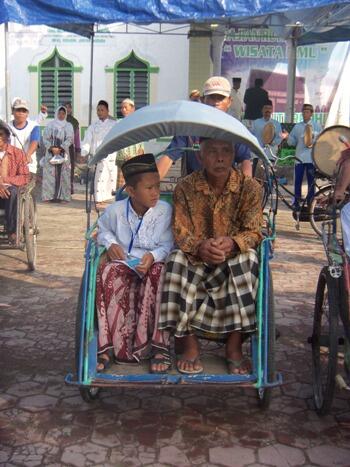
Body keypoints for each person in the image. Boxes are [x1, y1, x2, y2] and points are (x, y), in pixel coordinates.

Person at [156, 138, 263, 375]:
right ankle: (190, 345)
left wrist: (233, 243)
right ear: (200, 157)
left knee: (250, 259)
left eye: (226, 150)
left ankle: (234, 347)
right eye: (213, 152)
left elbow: (254, 231)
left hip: (232, 259)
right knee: (175, 259)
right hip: (197, 259)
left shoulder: (250, 188)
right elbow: (181, 231)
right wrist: (200, 246)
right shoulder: (185, 187)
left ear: (234, 154)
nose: (221, 158)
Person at [95, 154, 173, 370]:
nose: (156, 192)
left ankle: (158, 347)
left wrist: (153, 256)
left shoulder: (165, 211)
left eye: (158, 186)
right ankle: (107, 348)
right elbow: (101, 230)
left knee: (159, 272)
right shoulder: (115, 211)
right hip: (125, 263)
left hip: (153, 263)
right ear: (130, 191)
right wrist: (110, 244)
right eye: (149, 188)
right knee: (106, 272)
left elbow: (168, 244)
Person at [157, 76, 252, 179]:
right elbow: (169, 157)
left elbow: (245, 160)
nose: (216, 102)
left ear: (229, 101)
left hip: (226, 190)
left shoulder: (235, 129)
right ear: (203, 100)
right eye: (212, 97)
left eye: (220, 97)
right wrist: (151, 184)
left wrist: (247, 189)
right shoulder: (189, 128)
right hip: (194, 189)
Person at [81, 100, 117, 205]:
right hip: (98, 156)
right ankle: (99, 199)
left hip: (111, 156)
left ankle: (109, 198)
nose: (99, 112)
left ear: (107, 111)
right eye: (98, 110)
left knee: (110, 178)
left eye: (102, 110)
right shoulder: (93, 126)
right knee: (99, 178)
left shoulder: (114, 124)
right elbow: (87, 140)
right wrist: (84, 152)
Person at [287, 104, 322, 207]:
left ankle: (310, 202)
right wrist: (287, 137)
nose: (304, 113)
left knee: (311, 182)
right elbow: (292, 142)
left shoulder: (317, 126)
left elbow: (320, 141)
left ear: (311, 113)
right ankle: (296, 202)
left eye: (307, 112)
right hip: (299, 158)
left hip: (311, 158)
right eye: (303, 111)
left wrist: (312, 137)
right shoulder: (297, 126)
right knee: (298, 181)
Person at [0, 123, 29, 243]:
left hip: (9, 192)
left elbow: (24, 177)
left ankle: (12, 231)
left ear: (7, 137)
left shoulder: (18, 153)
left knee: (13, 192)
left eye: (0, 135)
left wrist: (5, 181)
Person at [41, 106, 74, 203]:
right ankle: (48, 196)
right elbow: (45, 138)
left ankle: (63, 197)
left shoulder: (68, 126)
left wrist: (60, 148)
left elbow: (70, 139)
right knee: (49, 175)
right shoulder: (50, 125)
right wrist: (52, 148)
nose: (61, 115)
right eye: (59, 113)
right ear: (56, 113)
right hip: (50, 152)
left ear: (66, 114)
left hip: (64, 152)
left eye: (63, 113)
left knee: (64, 174)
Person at [251, 100, 287, 173]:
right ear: (262, 110)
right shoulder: (255, 123)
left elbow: (279, 138)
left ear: (272, 110)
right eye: (265, 108)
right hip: (257, 154)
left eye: (269, 108)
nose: (267, 110)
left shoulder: (276, 123)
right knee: (255, 179)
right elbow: (251, 136)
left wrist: (271, 142)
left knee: (269, 178)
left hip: (270, 154)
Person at [115, 99, 144, 188]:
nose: (123, 110)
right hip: (122, 160)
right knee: (122, 188)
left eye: (126, 107)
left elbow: (141, 142)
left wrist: (137, 157)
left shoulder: (139, 123)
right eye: (122, 108)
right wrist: (125, 156)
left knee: (135, 186)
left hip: (135, 159)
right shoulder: (118, 123)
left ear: (133, 109)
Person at [8, 98, 41, 176]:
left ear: (27, 113)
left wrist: (28, 155)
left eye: (24, 111)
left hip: (29, 167)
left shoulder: (34, 126)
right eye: (18, 110)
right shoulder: (7, 127)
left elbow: (34, 141)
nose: (21, 113)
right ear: (13, 111)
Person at [64, 102, 81, 194]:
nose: (67, 109)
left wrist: (78, 150)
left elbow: (77, 137)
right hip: (59, 148)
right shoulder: (59, 120)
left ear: (71, 109)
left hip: (70, 148)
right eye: (65, 108)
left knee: (70, 168)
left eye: (69, 107)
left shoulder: (74, 122)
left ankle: (69, 188)